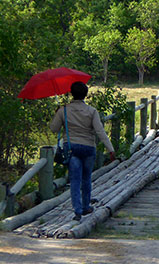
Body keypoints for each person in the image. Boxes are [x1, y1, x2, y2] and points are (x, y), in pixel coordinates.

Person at [49, 81, 116, 221]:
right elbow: (100, 131)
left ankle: (77, 210)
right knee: (86, 178)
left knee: (74, 180)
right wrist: (110, 149)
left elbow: (54, 129)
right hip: (88, 148)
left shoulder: (63, 110)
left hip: (71, 148)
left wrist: (57, 114)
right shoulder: (92, 111)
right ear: (85, 94)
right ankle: (86, 206)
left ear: (71, 93)